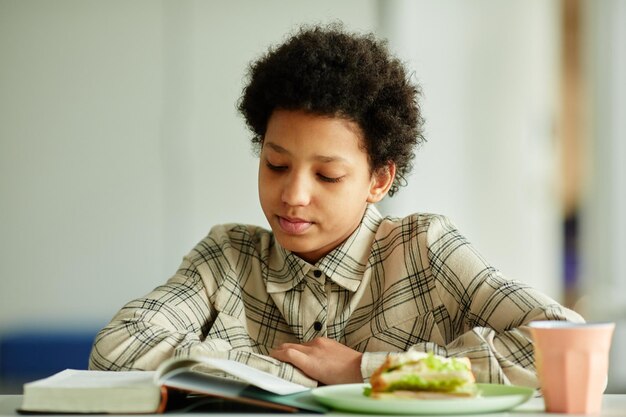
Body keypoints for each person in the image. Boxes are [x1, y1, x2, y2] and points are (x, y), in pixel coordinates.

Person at [89, 23, 583, 388]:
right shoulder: (226, 258)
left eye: (327, 175)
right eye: (276, 165)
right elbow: (116, 349)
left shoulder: (424, 251)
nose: (293, 195)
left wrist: (365, 370)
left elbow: (568, 346)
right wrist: (289, 375)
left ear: (379, 179)